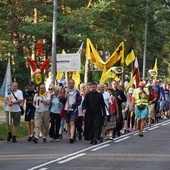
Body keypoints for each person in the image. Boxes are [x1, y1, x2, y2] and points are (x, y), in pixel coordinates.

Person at [64, 79, 82, 143]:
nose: (71, 85)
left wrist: (72, 105)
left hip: (73, 109)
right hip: (66, 109)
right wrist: (65, 95)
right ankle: (69, 136)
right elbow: (62, 100)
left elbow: (79, 101)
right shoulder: (65, 91)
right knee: (68, 123)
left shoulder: (76, 92)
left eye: (72, 83)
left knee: (72, 122)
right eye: (70, 83)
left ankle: (72, 137)